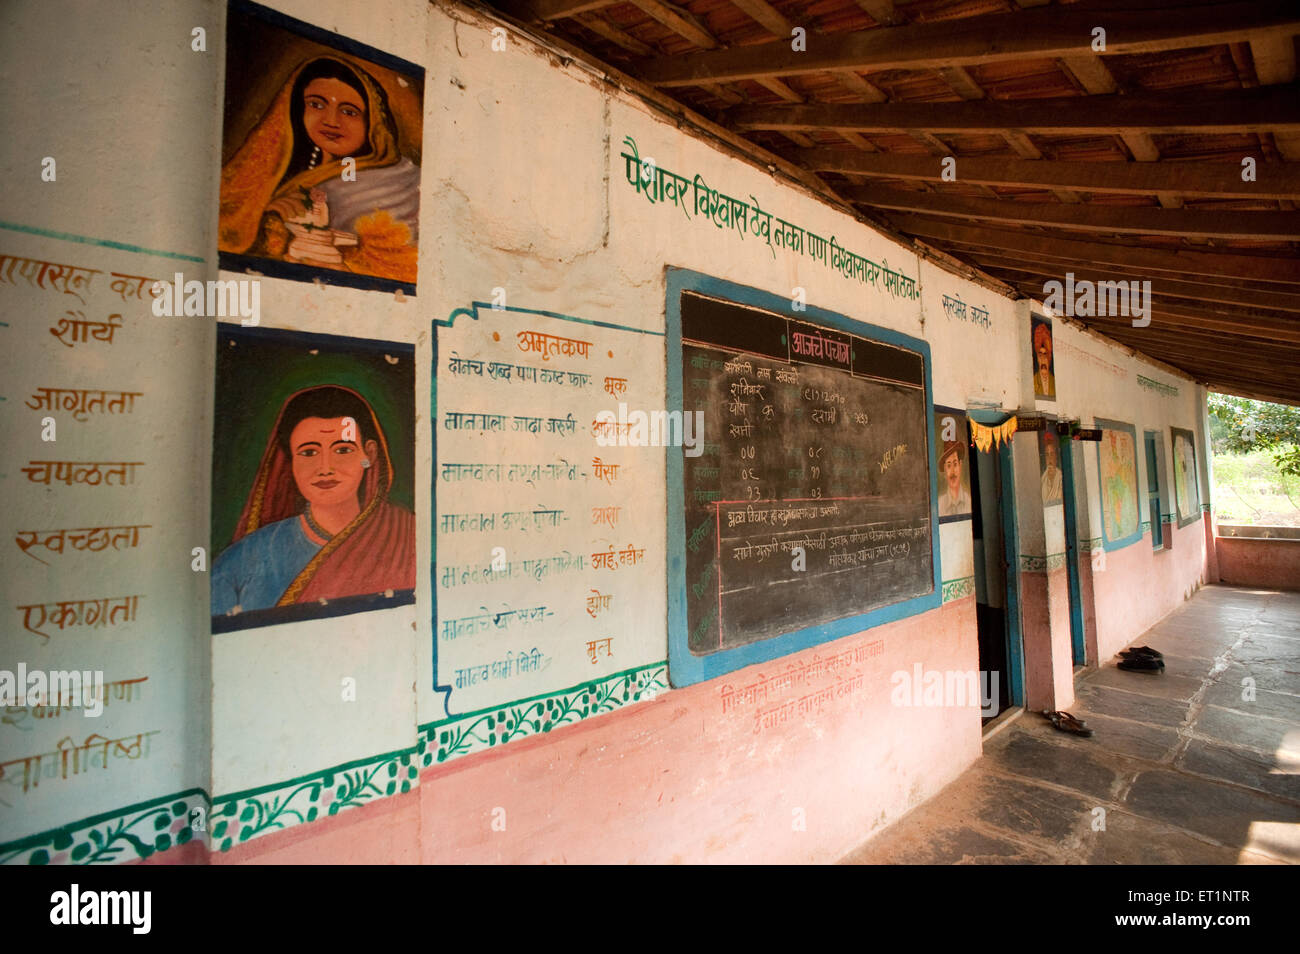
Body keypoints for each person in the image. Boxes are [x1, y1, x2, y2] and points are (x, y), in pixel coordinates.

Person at [212, 385, 414, 616]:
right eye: (309, 453)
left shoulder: (408, 536)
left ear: (369, 454)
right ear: (290, 460)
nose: (325, 468)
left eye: (343, 450)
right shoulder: (244, 560)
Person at [219, 56, 420, 283]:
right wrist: (275, 219)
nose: (331, 121)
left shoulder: (406, 183)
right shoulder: (282, 173)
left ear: (372, 121)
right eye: (317, 104)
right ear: (298, 108)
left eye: (349, 111)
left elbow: (405, 271)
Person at [938, 440, 970, 516]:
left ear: (960, 465)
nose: (952, 471)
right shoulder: (940, 505)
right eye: (949, 466)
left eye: (955, 464)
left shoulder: (969, 501)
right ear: (945, 470)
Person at [1032, 320, 1055, 399]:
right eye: (1040, 355)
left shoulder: (1054, 382)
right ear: (1037, 359)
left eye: (1045, 355)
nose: (1043, 359)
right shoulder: (1034, 381)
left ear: (1049, 358)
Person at [1040, 434, 1063, 504]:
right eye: (1047, 455)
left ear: (1056, 456)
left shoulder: (1061, 478)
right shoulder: (1042, 480)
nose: (1049, 458)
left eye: (1052, 454)